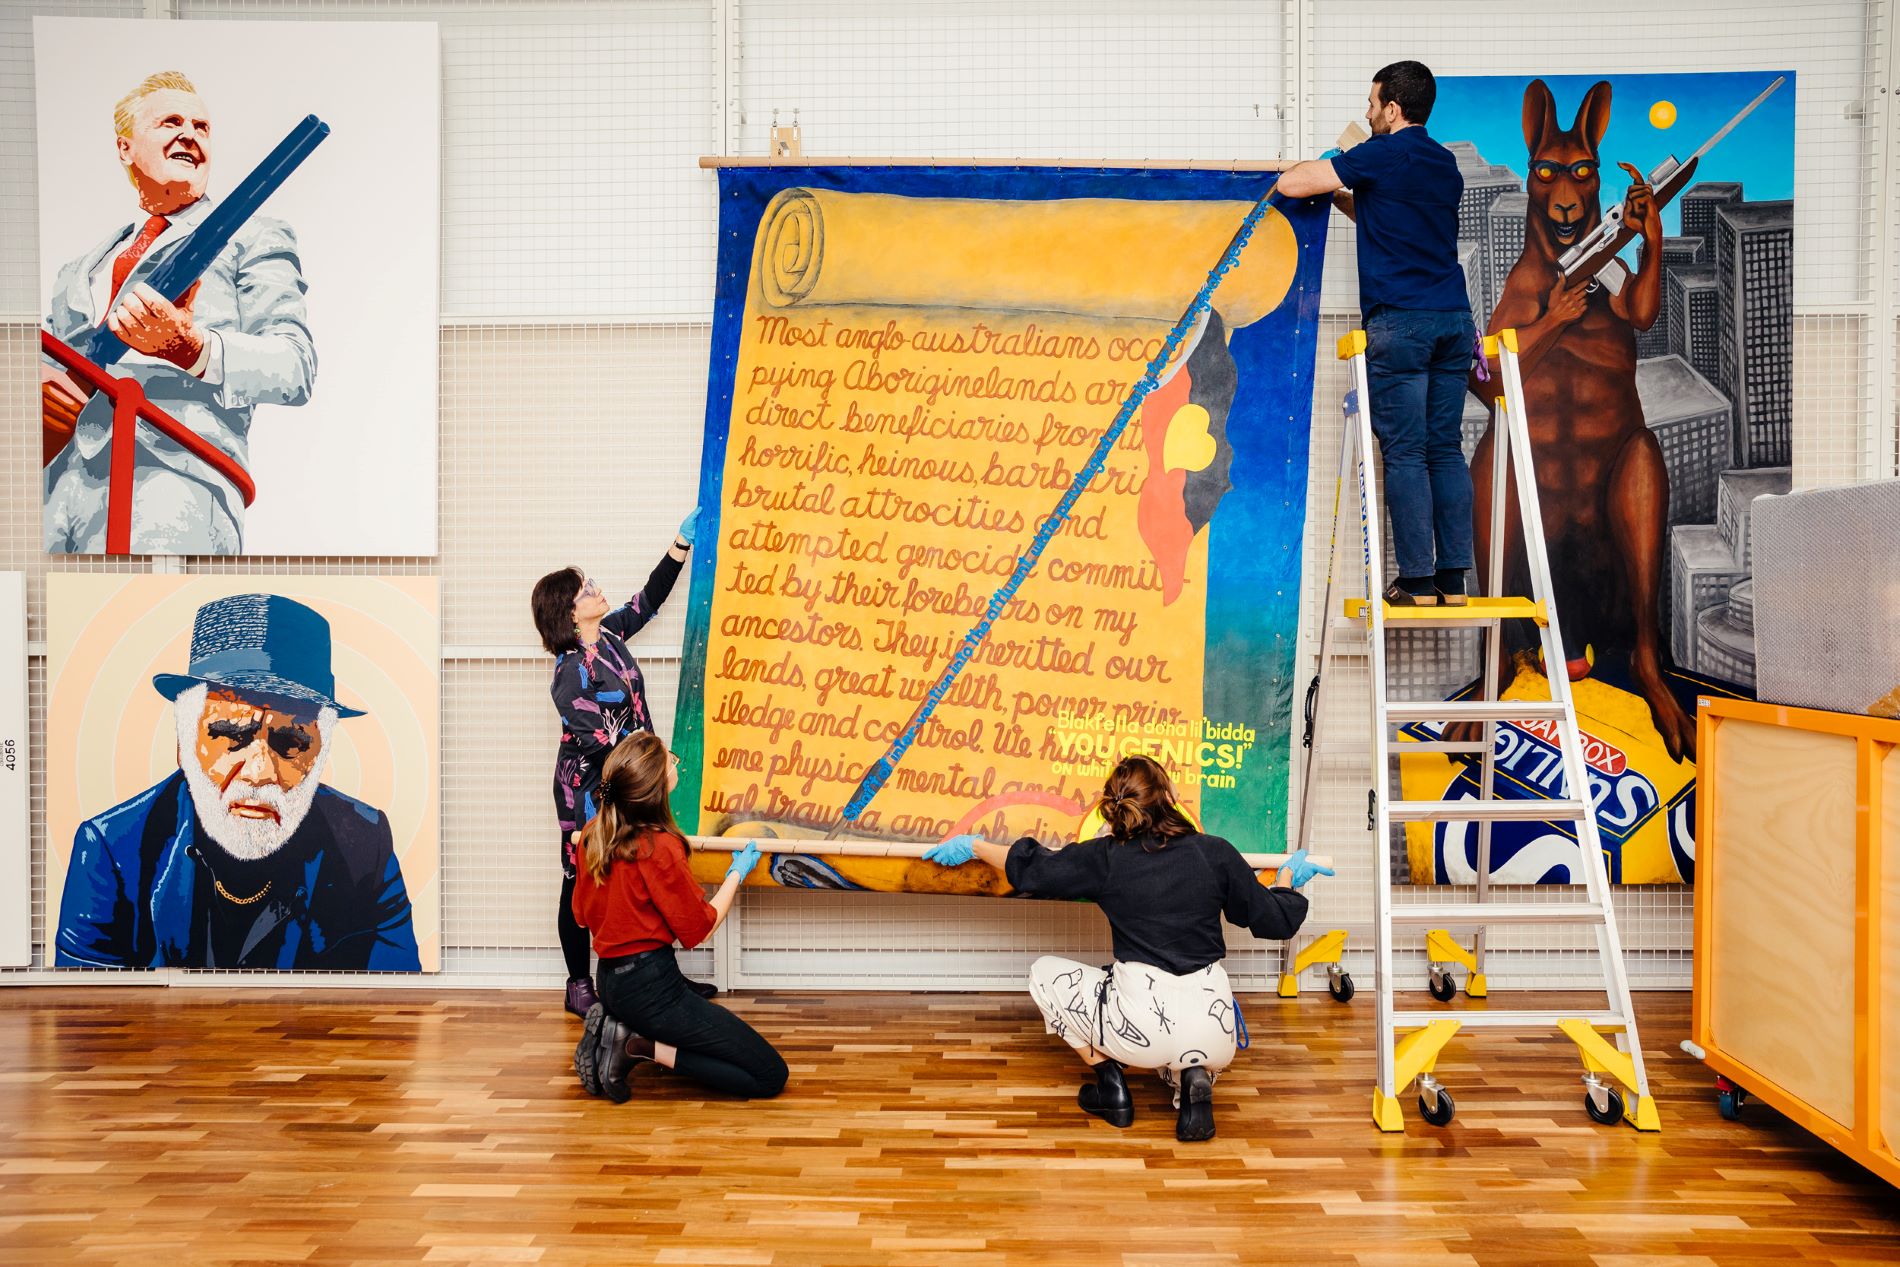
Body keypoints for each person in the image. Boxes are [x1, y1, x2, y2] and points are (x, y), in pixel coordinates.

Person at [923, 755, 1329, 1141]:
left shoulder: (1107, 858)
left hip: (1139, 1030)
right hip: (1215, 1029)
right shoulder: (1216, 852)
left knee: (1044, 974)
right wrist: (1287, 879)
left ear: (1113, 808)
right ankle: (1194, 1076)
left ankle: (1111, 1087)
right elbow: (1275, 920)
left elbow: (1036, 868)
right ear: (1169, 798)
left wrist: (974, 847)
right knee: (1181, 1025)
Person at [55, 593, 419, 970]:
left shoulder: (364, 845)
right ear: (185, 744)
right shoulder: (111, 852)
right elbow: (87, 1013)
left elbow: (395, 998)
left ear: (320, 753)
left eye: (291, 742)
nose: (259, 773)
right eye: (231, 735)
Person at [43, 70, 317, 555]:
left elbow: (294, 366)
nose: (189, 134)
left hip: (177, 482)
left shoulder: (253, 236)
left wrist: (191, 348)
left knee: (154, 626)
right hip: (59, 490)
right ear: (126, 148)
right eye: (170, 122)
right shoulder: (76, 271)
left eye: (202, 127)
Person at [1276, 60, 1475, 607]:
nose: (1366, 113)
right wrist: (1348, 195)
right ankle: (1453, 579)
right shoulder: (1445, 165)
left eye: (1371, 104)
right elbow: (1388, 218)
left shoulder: (1381, 152)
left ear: (1392, 108)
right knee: (1445, 449)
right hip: (1454, 321)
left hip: (1402, 322)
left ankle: (1415, 582)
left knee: (1407, 453)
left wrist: (1333, 163)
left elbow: (1293, 182)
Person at [531, 511, 708, 1017]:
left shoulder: (609, 635)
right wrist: (655, 771)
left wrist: (680, 542)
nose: (596, 589)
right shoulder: (568, 675)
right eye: (586, 589)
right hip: (591, 786)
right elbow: (601, 750)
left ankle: (662, 978)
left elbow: (648, 600)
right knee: (581, 875)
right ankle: (579, 985)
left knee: (644, 866)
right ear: (568, 613)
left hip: (633, 776)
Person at [569, 733, 786, 1103]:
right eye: (669, 760)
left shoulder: (593, 835)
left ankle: (617, 1026)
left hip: (611, 982)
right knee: (769, 1075)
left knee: (717, 1042)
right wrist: (736, 875)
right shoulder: (659, 847)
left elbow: (581, 915)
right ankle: (637, 1047)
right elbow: (699, 927)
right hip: (651, 991)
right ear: (655, 786)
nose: (674, 763)